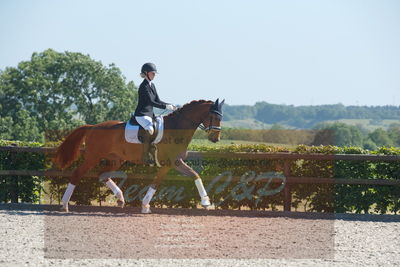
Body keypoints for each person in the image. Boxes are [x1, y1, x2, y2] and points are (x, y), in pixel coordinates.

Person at [134, 62, 177, 166]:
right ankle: (145, 154)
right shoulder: (143, 86)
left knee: (160, 126)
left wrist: (169, 105)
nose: (154, 75)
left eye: (154, 73)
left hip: (149, 114)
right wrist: (165, 107)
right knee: (150, 129)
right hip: (141, 114)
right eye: (152, 73)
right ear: (146, 73)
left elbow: (158, 100)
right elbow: (151, 102)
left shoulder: (152, 85)